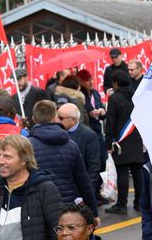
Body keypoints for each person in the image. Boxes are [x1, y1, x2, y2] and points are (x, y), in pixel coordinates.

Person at [27, 100, 97, 211]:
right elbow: (83, 180)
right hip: (67, 205)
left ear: (33, 118)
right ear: (54, 117)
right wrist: (93, 211)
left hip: (37, 204)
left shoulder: (26, 146)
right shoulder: (71, 145)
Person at [104, 69, 144, 215]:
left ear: (115, 82)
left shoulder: (115, 98)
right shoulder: (136, 96)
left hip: (120, 141)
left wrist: (108, 144)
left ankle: (121, 203)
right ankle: (139, 202)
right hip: (136, 138)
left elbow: (110, 123)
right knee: (137, 172)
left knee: (122, 172)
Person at [57, 103, 105, 205]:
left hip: (79, 190)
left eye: (61, 118)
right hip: (61, 189)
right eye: (57, 116)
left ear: (72, 120)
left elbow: (94, 165)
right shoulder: (57, 132)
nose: (57, 120)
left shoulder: (89, 135)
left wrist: (88, 192)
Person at [76, 69, 106, 140]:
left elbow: (102, 110)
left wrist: (103, 112)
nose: (91, 82)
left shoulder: (95, 93)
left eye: (91, 79)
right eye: (87, 80)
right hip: (87, 130)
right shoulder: (79, 96)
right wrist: (90, 114)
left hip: (98, 129)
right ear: (80, 82)